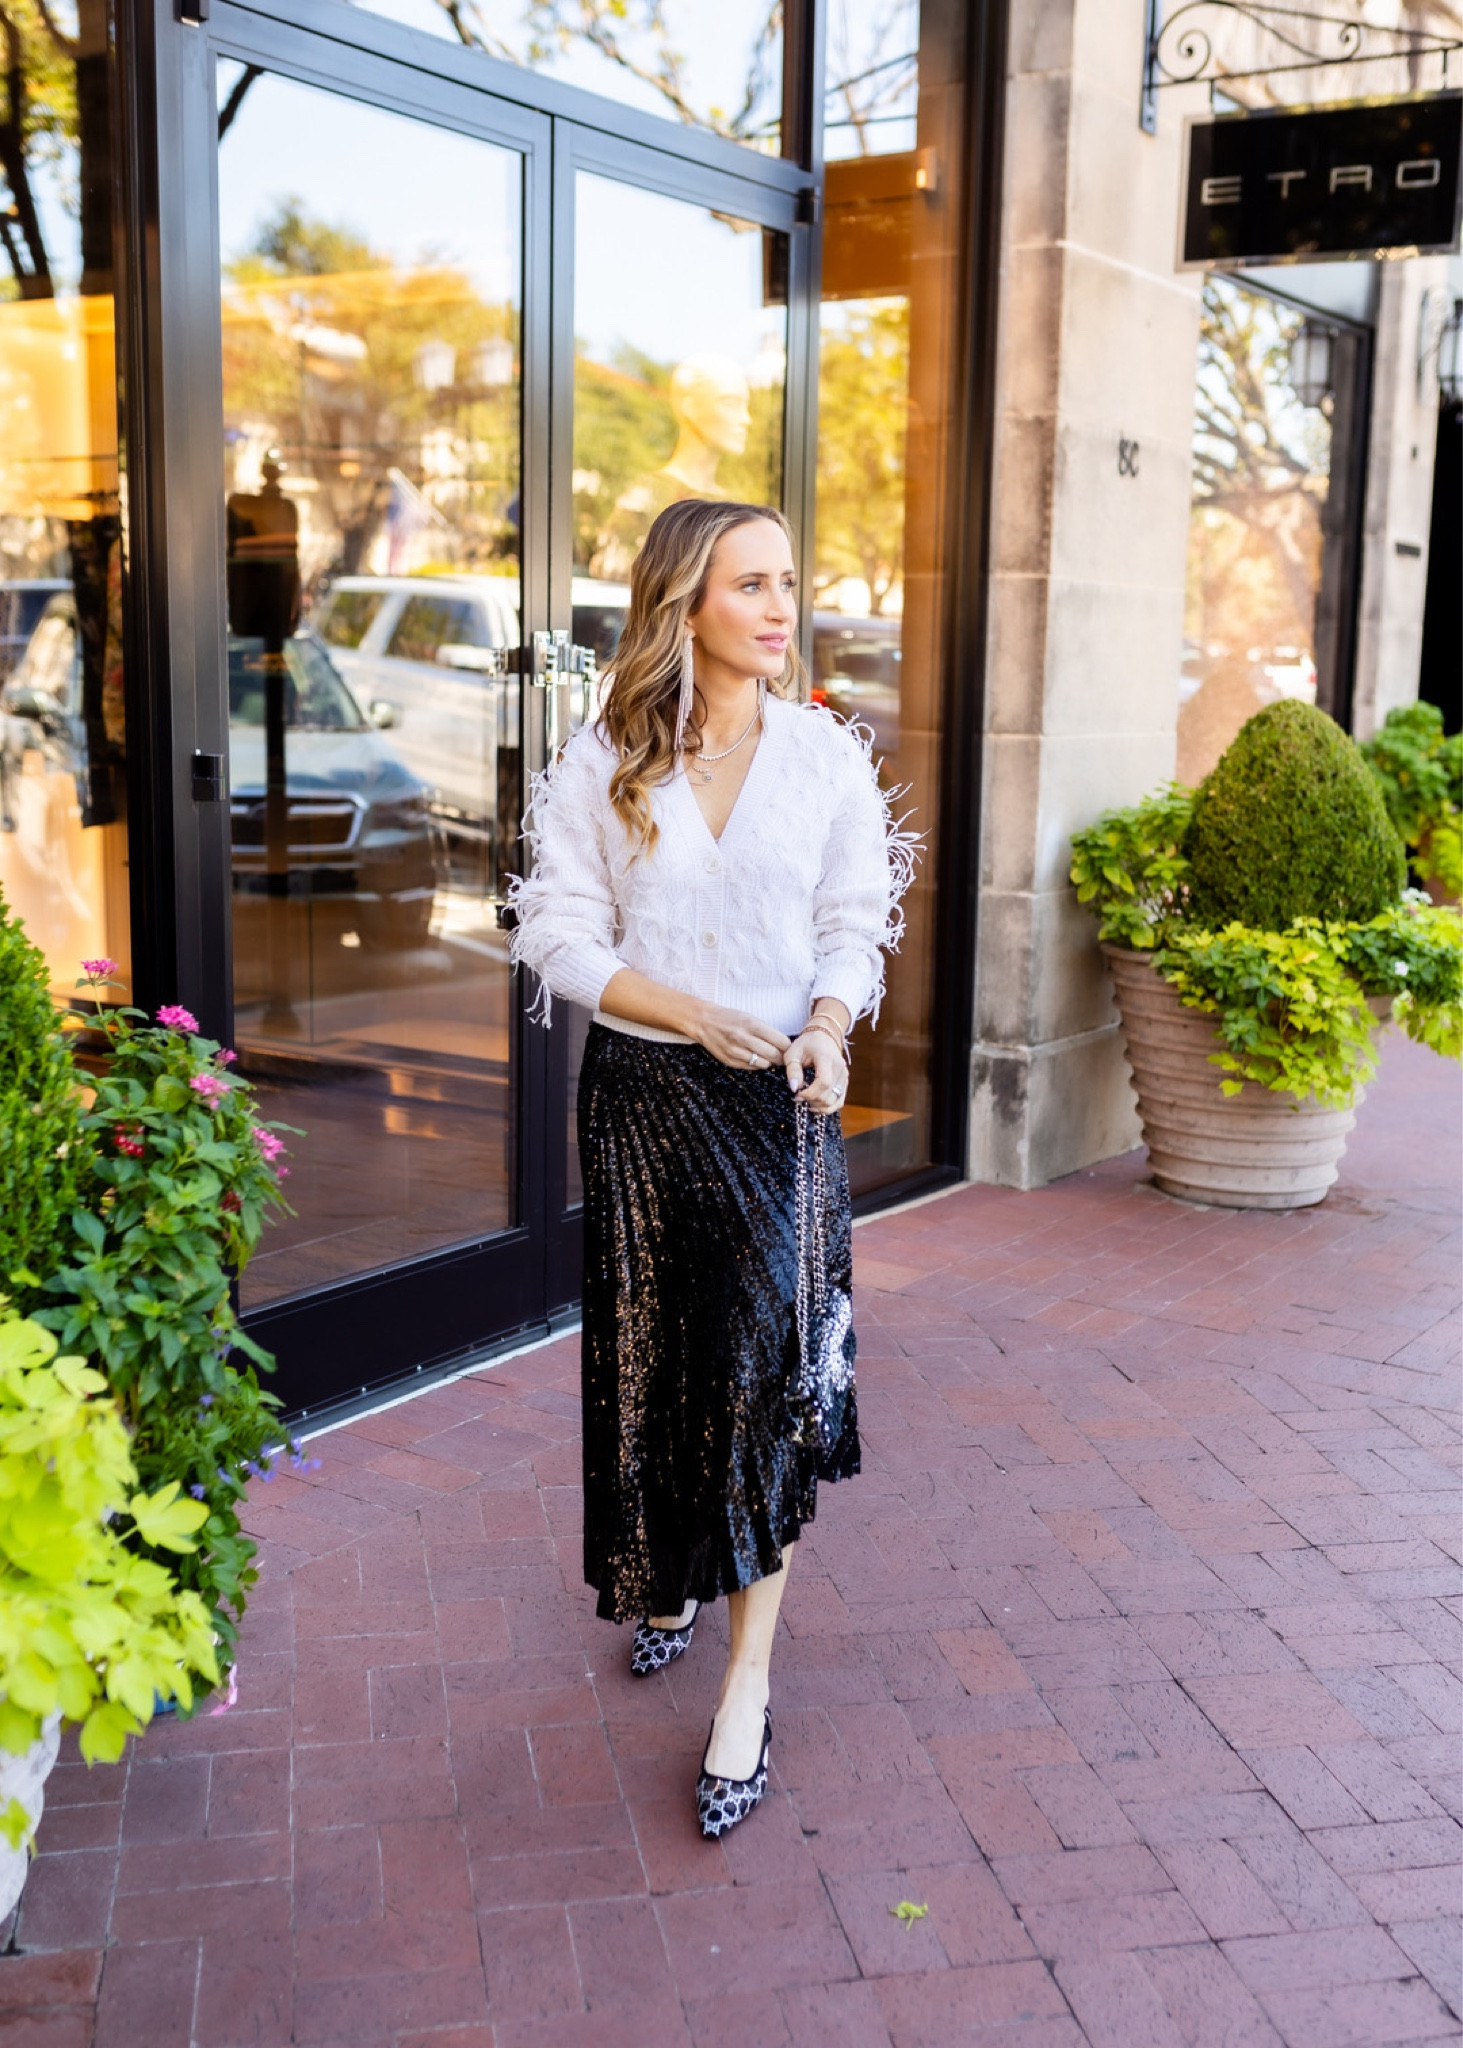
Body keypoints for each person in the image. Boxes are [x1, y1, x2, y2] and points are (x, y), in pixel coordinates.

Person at [510, 498, 913, 1838]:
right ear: (688, 606)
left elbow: (854, 924)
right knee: (663, 1356)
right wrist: (690, 1012)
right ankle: (674, 1575)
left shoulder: (823, 760)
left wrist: (827, 1028)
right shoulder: (608, 758)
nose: (782, 604)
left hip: (777, 1107)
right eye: (752, 583)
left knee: (760, 1377)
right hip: (643, 1095)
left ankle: (748, 1680)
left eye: (788, 579)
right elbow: (556, 934)